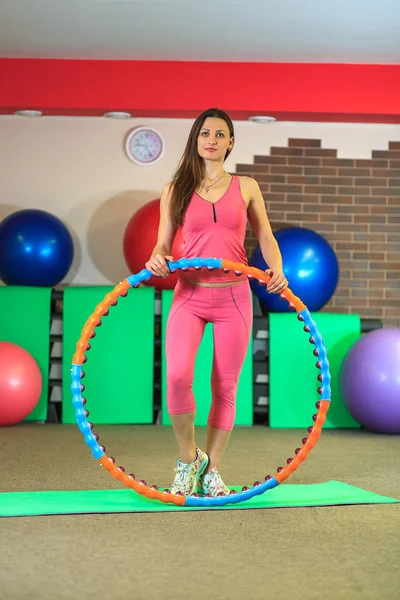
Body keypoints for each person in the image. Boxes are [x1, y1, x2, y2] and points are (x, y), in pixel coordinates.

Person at [146, 108, 287, 497]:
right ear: (196, 139)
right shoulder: (174, 189)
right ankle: (189, 460)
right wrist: (157, 257)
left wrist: (276, 268)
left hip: (234, 297)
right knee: (176, 377)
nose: (211, 139)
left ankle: (214, 471)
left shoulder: (247, 186)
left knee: (225, 384)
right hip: (189, 294)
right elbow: (162, 242)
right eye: (204, 133)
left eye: (220, 134)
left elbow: (266, 236)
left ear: (230, 142)